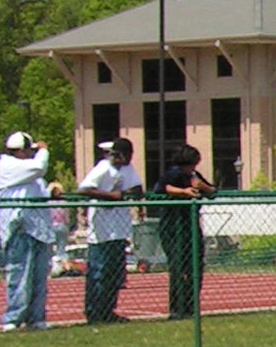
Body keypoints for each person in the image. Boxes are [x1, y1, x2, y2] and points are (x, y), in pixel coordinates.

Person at [76, 138, 144, 322]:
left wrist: (129, 194)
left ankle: (108, 311)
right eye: (125, 155)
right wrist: (110, 195)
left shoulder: (128, 169)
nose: (128, 159)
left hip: (119, 228)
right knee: (99, 271)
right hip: (101, 229)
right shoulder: (103, 168)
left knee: (114, 273)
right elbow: (83, 189)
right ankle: (94, 312)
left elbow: (137, 188)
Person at [0, 134, 56, 331]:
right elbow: (40, 167)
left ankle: (36, 317)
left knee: (39, 278)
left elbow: (38, 189)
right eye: (30, 150)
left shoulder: (30, 174)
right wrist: (44, 151)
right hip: (20, 229)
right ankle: (13, 318)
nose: (32, 153)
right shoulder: (8, 165)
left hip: (39, 229)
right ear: (20, 150)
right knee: (20, 276)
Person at [157, 142, 215, 320]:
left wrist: (202, 187)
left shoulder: (195, 175)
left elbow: (212, 191)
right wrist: (184, 192)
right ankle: (177, 308)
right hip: (173, 226)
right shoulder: (173, 173)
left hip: (191, 225)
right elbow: (162, 188)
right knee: (178, 267)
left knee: (195, 266)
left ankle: (191, 306)